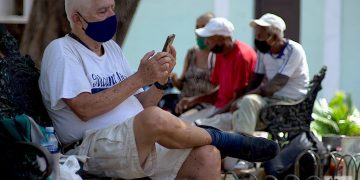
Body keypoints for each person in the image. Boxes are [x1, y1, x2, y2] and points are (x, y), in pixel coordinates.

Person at [39, 1, 279, 179]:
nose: (112, 15)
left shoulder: (111, 48)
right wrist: (139, 77)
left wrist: (159, 81)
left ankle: (219, 141)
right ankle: (228, 140)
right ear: (78, 19)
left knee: (207, 155)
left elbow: (141, 106)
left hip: (135, 140)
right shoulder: (61, 51)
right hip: (91, 148)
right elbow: (83, 108)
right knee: (154, 119)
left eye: (111, 8)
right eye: (102, 11)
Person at [196, 13, 310, 135]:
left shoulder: (294, 50)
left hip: (290, 101)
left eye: (260, 35)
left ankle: (242, 144)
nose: (257, 39)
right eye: (257, 35)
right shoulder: (264, 51)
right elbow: (256, 79)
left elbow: (276, 84)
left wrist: (245, 97)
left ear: (275, 37)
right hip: (271, 99)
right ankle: (209, 129)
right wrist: (241, 99)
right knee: (241, 110)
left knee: (248, 101)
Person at [178, 17, 257, 122]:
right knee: (180, 122)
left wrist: (210, 118)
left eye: (209, 38)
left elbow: (238, 98)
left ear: (222, 39)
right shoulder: (220, 53)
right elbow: (221, 91)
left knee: (193, 129)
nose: (206, 42)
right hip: (218, 109)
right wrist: (193, 100)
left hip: (233, 113)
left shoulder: (242, 56)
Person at [170, 12, 216, 115]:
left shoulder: (219, 56)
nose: (199, 31)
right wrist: (174, 79)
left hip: (204, 109)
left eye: (204, 27)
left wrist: (195, 101)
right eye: (197, 27)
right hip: (181, 106)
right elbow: (182, 85)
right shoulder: (191, 53)